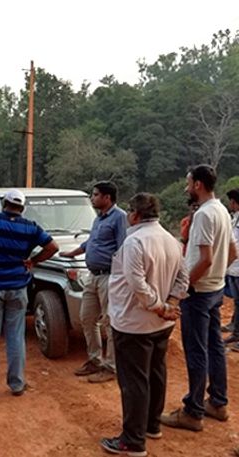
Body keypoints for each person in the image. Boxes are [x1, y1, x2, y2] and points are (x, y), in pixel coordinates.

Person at [99, 193, 188, 456]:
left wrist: (160, 307)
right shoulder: (171, 240)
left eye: (129, 212)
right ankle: (151, 425)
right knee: (156, 373)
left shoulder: (135, 241)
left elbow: (137, 284)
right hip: (160, 324)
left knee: (134, 381)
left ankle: (133, 441)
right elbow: (183, 277)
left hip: (134, 323)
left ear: (136, 214)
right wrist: (169, 305)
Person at [161, 164, 237, 431]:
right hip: (214, 290)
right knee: (214, 346)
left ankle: (193, 412)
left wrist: (181, 290)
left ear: (198, 185)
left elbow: (204, 259)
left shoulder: (205, 215)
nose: (185, 187)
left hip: (199, 293)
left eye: (188, 182)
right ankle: (217, 402)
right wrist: (217, 276)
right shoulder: (223, 212)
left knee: (196, 351)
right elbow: (232, 253)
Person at [0, 189, 58, 399]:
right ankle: (17, 384)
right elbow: (53, 246)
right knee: (16, 337)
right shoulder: (30, 227)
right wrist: (33, 261)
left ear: (4, 203)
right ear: (22, 208)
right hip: (17, 286)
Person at [59, 181, 127, 383]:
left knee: (109, 321)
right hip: (93, 275)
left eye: (95, 194)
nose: (92, 197)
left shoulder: (120, 217)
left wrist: (120, 277)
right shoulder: (98, 219)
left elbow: (124, 247)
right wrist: (73, 253)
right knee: (87, 318)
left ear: (107, 198)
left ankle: (111, 366)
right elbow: (91, 242)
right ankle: (95, 359)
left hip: (109, 276)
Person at [223, 188, 239, 350]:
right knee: (237, 302)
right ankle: (235, 329)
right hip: (234, 268)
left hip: (237, 266)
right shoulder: (234, 218)